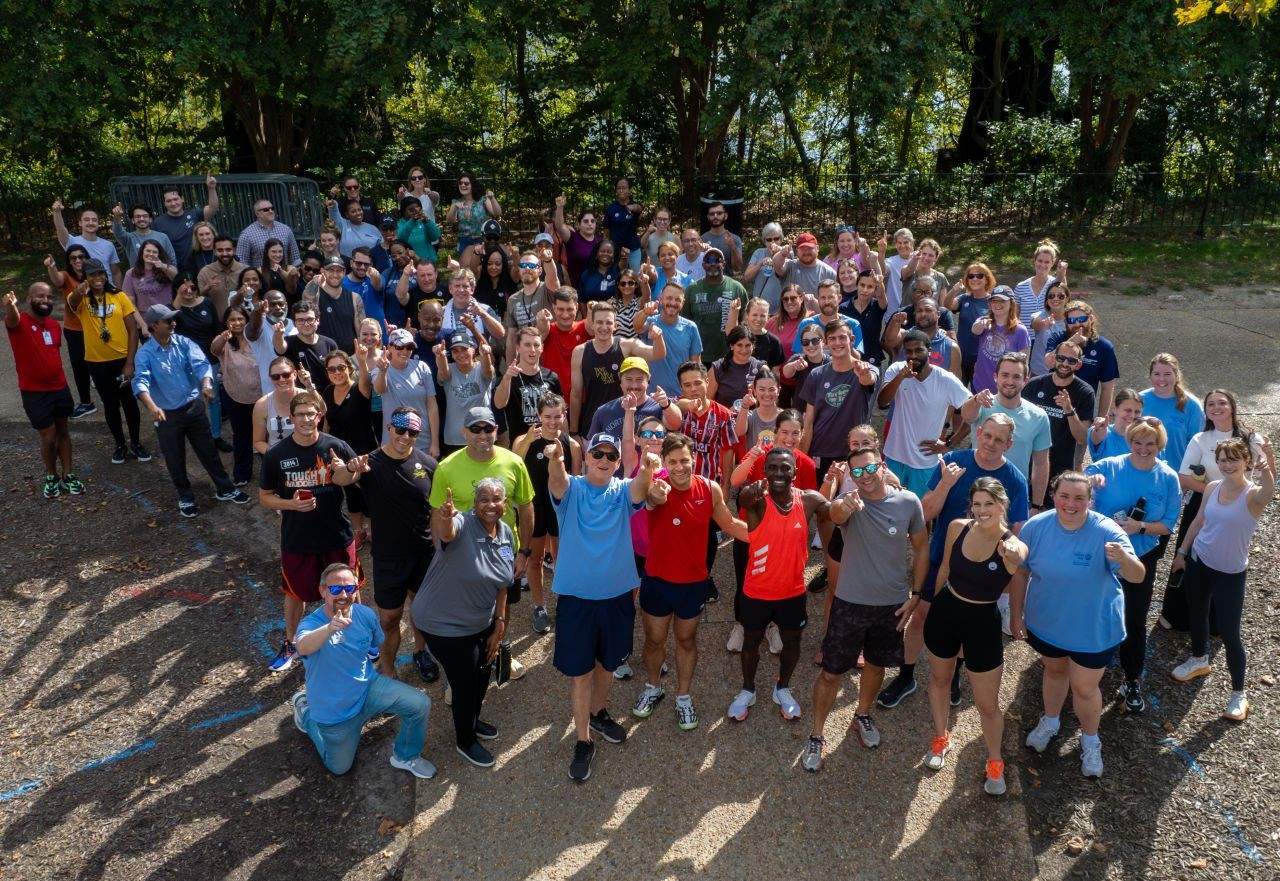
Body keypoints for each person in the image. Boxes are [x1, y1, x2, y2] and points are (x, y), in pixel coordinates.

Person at [878, 414, 1029, 708]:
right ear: (979, 431)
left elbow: (1017, 533)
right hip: (941, 559)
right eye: (988, 436)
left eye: (999, 439)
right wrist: (946, 485)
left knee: (964, 626)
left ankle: (954, 675)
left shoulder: (1015, 480)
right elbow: (926, 513)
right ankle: (906, 675)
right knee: (921, 615)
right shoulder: (954, 461)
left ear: (1009, 444)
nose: (991, 443)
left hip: (981, 572)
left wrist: (1012, 563)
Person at [1014, 472, 1145, 779]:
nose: (1070, 504)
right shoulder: (1036, 527)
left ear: (1090, 501)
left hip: (1093, 629)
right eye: (1064, 496)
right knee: (1055, 671)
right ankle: (1051, 720)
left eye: (1079, 498)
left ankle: (1090, 740)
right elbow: (1020, 573)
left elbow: (1137, 576)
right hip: (1048, 623)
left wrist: (1124, 559)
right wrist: (1015, 615)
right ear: (1053, 495)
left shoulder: (1106, 531)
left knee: (1084, 687)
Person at [547, 432, 659, 782]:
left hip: (616, 598)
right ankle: (583, 740)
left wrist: (648, 467)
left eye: (611, 455)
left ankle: (599, 712)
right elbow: (557, 478)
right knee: (581, 673)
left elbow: (641, 487)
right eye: (598, 453)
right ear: (587, 456)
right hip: (577, 599)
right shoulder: (572, 490)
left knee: (608, 664)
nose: (605, 460)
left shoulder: (622, 490)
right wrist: (556, 458)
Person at [804, 445, 925, 766]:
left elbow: (922, 547)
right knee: (831, 673)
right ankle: (816, 735)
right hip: (850, 604)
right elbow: (834, 514)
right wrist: (846, 505)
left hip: (892, 605)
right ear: (849, 476)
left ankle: (862, 714)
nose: (864, 476)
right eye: (856, 472)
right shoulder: (849, 504)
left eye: (869, 468)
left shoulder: (908, 502)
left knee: (876, 665)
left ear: (882, 465)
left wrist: (917, 594)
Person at [632, 433, 747, 730]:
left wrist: (769, 538)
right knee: (654, 640)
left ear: (694, 458)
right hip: (657, 580)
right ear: (665, 463)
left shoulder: (709, 489)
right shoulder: (658, 487)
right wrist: (654, 484)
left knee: (686, 640)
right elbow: (652, 497)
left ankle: (683, 696)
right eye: (672, 462)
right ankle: (654, 687)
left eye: (684, 460)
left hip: (693, 583)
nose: (680, 467)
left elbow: (731, 524)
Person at [918, 478, 1024, 794]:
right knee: (939, 680)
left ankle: (995, 763)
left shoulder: (1012, 544)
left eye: (988, 504)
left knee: (987, 704)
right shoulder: (957, 527)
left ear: (1002, 504)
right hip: (946, 612)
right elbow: (946, 570)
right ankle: (941, 738)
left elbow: (1018, 559)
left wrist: (1012, 551)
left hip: (983, 622)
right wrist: (932, 603)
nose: (981, 511)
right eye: (976, 504)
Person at [290, 563, 436, 779]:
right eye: (335, 589)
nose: (343, 594)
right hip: (334, 711)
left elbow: (375, 643)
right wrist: (330, 628)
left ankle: (406, 756)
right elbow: (303, 646)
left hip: (368, 688)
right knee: (339, 768)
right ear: (322, 591)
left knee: (420, 704)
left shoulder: (365, 614)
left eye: (349, 588)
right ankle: (307, 713)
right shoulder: (312, 624)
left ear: (356, 590)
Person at [408, 476, 511, 768]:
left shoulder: (505, 534)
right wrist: (445, 519)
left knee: (482, 673)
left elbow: (503, 584)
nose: (490, 505)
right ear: (474, 504)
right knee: (465, 682)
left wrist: (500, 621)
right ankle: (465, 740)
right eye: (484, 500)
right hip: (442, 623)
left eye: (496, 499)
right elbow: (448, 532)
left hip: (481, 621)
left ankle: (473, 721)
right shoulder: (462, 524)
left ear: (505, 503)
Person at [1170, 436, 1274, 722]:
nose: (1227, 465)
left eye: (1233, 459)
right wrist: (1182, 552)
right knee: (1197, 613)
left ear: (1246, 462)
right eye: (1222, 460)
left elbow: (1270, 489)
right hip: (1200, 561)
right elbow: (1198, 521)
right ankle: (1199, 659)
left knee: (1230, 634)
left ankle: (1239, 694)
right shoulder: (1213, 488)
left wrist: (1267, 460)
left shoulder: (1253, 496)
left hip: (1230, 573)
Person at [259, 392, 363, 672]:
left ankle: (357, 635)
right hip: (298, 539)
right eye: (300, 414)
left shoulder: (335, 446)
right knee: (295, 594)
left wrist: (349, 470)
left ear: (320, 416)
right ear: (290, 419)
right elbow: (264, 497)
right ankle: (291, 643)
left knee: (348, 589)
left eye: (311, 413)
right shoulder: (277, 455)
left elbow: (353, 477)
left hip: (336, 535)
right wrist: (290, 505)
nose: (306, 419)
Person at [1085, 418, 1182, 712]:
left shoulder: (1167, 477)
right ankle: (1084, 671)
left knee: (1135, 618)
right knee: (1095, 610)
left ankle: (1131, 678)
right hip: (1102, 552)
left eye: (1150, 443)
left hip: (1141, 555)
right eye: (1137, 442)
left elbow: (1167, 525)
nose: (1143, 448)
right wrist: (1090, 481)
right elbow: (1076, 483)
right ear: (1129, 442)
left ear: (1159, 446)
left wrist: (1139, 527)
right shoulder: (1109, 466)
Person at [729, 447, 831, 722]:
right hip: (756, 591)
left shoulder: (808, 500)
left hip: (792, 592)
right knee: (751, 641)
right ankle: (748, 689)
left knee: (792, 642)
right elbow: (743, 495)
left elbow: (833, 513)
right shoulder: (757, 499)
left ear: (794, 472)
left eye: (784, 468)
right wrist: (749, 492)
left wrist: (844, 494)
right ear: (764, 471)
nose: (778, 473)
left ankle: (782, 687)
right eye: (772, 467)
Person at [131, 304, 249, 517]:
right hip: (166, 414)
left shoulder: (184, 343)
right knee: (174, 458)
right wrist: (152, 407)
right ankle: (185, 497)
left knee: (208, 452)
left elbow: (201, 364)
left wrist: (206, 384)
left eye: (173, 320)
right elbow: (140, 382)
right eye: (168, 321)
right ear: (154, 325)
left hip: (193, 407)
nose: (173, 324)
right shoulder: (145, 354)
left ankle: (225, 488)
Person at [1163, 389, 1262, 632]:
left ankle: (1217, 622)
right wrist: (1216, 491)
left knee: (1226, 561)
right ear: (1205, 410)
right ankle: (1176, 615)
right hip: (1202, 502)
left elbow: (1265, 473)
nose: (1216, 408)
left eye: (1222, 403)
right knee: (1186, 557)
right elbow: (1184, 477)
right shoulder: (1200, 439)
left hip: (1236, 508)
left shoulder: (1251, 438)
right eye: (1210, 404)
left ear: (1232, 406)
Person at [796, 320, 878, 591]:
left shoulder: (864, 371)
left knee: (857, 514)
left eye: (842, 338)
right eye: (832, 339)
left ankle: (856, 566)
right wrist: (803, 459)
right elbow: (809, 422)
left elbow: (869, 380)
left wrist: (863, 372)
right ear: (826, 343)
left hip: (855, 459)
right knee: (825, 513)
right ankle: (832, 566)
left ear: (851, 338)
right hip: (822, 453)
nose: (837, 343)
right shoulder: (817, 375)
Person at [877, 329, 982, 498]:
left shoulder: (945, 379)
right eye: (909, 351)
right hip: (894, 457)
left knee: (923, 514)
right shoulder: (897, 369)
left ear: (929, 351)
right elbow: (882, 402)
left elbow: (975, 413)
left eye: (919, 350)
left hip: (925, 462)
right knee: (890, 507)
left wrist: (950, 443)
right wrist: (900, 378)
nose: (913, 355)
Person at [4, 284, 84, 498]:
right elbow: (11, 319)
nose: (46, 300)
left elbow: (52, 352)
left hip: (59, 387)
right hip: (34, 392)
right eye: (40, 296)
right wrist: (10, 306)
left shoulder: (54, 326)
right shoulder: (19, 322)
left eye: (49, 297)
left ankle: (68, 474)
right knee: (48, 437)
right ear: (29, 299)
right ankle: (52, 476)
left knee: (63, 432)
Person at [512, 393, 582, 634]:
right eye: (547, 417)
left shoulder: (572, 444)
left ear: (564, 416)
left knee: (563, 559)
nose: (553, 422)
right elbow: (513, 463)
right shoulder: (526, 438)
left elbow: (575, 481)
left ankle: (564, 603)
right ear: (539, 416)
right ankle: (540, 606)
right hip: (534, 507)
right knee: (536, 558)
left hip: (560, 508)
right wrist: (528, 441)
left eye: (557, 416)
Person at [67, 259, 148, 464]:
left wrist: (130, 362)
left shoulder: (119, 296)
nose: (98, 278)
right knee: (111, 406)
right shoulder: (82, 299)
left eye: (100, 274)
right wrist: (80, 290)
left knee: (129, 403)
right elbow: (72, 301)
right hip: (97, 362)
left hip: (122, 360)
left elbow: (132, 331)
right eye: (92, 275)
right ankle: (120, 444)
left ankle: (136, 443)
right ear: (85, 277)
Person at [674, 360, 740, 599]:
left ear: (707, 382)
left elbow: (728, 450)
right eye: (687, 385)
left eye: (697, 383)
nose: (693, 388)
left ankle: (705, 575)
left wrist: (726, 484)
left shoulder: (722, 414)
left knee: (709, 535)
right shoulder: (679, 411)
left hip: (710, 484)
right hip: (680, 485)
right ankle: (681, 573)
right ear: (681, 387)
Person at [568, 301, 664, 439]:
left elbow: (658, 354)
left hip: (626, 423)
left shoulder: (627, 346)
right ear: (592, 324)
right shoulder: (580, 352)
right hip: (592, 427)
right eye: (599, 322)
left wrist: (658, 337)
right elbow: (576, 394)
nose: (604, 327)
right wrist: (574, 432)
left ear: (615, 325)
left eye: (608, 323)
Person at [976, 353, 1052, 507]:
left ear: (1026, 380)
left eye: (1016, 377)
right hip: (977, 493)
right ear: (995, 376)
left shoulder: (1039, 416)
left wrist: (1036, 505)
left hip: (1013, 496)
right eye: (1005, 375)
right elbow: (965, 414)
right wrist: (975, 399)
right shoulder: (979, 406)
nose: (1010, 381)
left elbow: (1041, 464)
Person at [1023, 340, 1095, 500]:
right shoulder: (1034, 385)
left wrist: (1069, 410)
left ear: (1078, 365)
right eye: (1061, 358)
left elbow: (1082, 437)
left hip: (1062, 468)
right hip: (1029, 463)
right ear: (1054, 358)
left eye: (1071, 361)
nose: (1065, 364)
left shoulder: (1084, 392)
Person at [321, 349, 376, 545]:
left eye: (341, 367)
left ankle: (371, 529)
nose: (337, 372)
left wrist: (362, 361)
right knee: (350, 491)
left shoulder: (359, 389)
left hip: (363, 448)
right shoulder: (328, 391)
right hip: (339, 451)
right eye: (332, 369)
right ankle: (358, 530)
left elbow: (366, 383)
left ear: (349, 368)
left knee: (367, 489)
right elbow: (327, 421)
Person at [43, 246, 97, 419]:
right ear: (69, 261)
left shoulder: (95, 272)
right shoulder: (66, 275)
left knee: (100, 363)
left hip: (96, 327)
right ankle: (86, 403)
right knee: (80, 366)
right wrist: (51, 267)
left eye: (81, 256)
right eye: (73, 258)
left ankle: (108, 396)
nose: (78, 261)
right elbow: (57, 280)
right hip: (75, 329)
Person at [210, 305, 260, 485]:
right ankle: (242, 474)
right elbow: (214, 350)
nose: (237, 323)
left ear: (247, 320)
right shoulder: (224, 340)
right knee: (241, 436)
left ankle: (272, 474)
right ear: (226, 322)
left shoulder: (257, 339)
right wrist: (223, 339)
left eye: (240, 319)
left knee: (265, 436)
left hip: (261, 397)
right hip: (235, 396)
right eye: (232, 319)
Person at [1043, 300, 1119, 419]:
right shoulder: (1057, 338)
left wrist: (1101, 418)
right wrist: (1071, 343)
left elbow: (1108, 386)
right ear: (1066, 323)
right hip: (1053, 405)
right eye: (1072, 321)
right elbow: (1048, 363)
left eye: (1082, 319)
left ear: (1091, 319)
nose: (1078, 324)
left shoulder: (1104, 347)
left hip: (1083, 407)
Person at [373, 328, 441, 457]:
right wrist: (382, 371)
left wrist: (435, 443)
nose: (405, 351)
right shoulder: (380, 368)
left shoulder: (422, 367)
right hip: (394, 443)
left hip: (423, 442)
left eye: (409, 347)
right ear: (390, 347)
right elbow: (379, 389)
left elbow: (432, 406)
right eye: (400, 346)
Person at [434, 327, 495, 456]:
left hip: (481, 437)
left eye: (464, 349)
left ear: (473, 350)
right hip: (454, 439)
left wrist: (486, 354)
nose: (461, 354)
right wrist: (440, 355)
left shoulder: (481, 369)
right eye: (455, 351)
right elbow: (443, 372)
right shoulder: (450, 370)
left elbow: (488, 371)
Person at [682, 249, 749, 364]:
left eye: (717, 260)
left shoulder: (736, 288)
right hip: (699, 355)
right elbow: (684, 323)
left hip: (730, 355)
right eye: (709, 260)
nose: (713, 263)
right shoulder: (692, 289)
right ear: (703, 265)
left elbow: (745, 322)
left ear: (723, 264)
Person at [1141, 352, 1205, 471]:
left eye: (1167, 374)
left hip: (1178, 475)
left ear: (1176, 376)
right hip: (1143, 472)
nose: (1161, 379)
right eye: (1156, 374)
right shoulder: (1139, 400)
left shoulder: (1191, 405)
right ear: (1150, 376)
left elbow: (1199, 447)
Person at [635, 282, 702, 395]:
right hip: (651, 396)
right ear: (660, 298)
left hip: (680, 398)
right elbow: (637, 326)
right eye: (669, 298)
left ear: (683, 302)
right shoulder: (650, 322)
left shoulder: (691, 328)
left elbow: (696, 365)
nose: (672, 303)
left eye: (677, 300)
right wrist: (645, 312)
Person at [495, 326, 563, 435]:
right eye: (527, 345)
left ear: (542, 348)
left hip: (549, 442)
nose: (532, 350)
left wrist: (566, 442)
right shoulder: (509, 377)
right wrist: (507, 378)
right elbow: (499, 404)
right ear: (518, 348)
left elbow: (562, 412)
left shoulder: (552, 377)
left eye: (536, 345)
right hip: (521, 445)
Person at [968, 287, 1030, 394]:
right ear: (990, 304)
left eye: (1002, 301)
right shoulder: (984, 321)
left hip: (1005, 389)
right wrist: (980, 325)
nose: (997, 304)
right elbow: (975, 330)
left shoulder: (1020, 330)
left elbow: (1024, 362)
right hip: (980, 385)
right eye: (994, 301)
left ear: (1011, 303)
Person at [253, 355, 319, 454]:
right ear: (271, 379)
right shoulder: (262, 405)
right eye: (275, 377)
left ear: (295, 374)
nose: (281, 380)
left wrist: (309, 386)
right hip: (278, 455)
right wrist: (278, 457)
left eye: (286, 375)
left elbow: (324, 410)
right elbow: (258, 441)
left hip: (308, 452)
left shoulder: (307, 396)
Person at [151, 178, 220, 269]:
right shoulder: (158, 223)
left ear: (182, 199)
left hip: (199, 267)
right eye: (169, 201)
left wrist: (211, 188)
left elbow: (213, 208)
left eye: (176, 199)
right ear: (165, 203)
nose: (173, 203)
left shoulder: (195, 214)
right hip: (174, 270)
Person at [51, 200, 122, 285]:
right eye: (87, 220)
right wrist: (57, 212)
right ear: (80, 223)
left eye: (94, 220)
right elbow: (60, 229)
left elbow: (116, 273)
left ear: (98, 223)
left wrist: (120, 293)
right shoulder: (72, 242)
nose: (91, 223)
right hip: (85, 292)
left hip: (109, 292)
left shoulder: (109, 245)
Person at [537, 288, 591, 400]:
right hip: (554, 402)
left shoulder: (585, 327)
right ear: (554, 308)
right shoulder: (548, 331)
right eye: (561, 309)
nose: (565, 315)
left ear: (576, 307)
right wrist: (541, 321)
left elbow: (596, 327)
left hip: (585, 400)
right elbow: (539, 335)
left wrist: (592, 310)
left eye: (570, 309)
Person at [280, 301, 340, 393]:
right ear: (294, 323)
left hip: (329, 397)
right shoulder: (288, 343)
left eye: (310, 319)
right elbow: (279, 348)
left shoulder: (330, 343)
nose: (306, 324)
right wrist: (278, 334)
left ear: (318, 320)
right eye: (300, 320)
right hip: (300, 400)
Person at [793, 279, 863, 355]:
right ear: (818, 299)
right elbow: (798, 355)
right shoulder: (805, 324)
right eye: (823, 298)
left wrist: (848, 346)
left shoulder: (853, 324)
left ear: (839, 298)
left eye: (830, 297)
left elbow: (857, 358)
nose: (827, 302)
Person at [246, 289, 297, 393]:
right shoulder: (259, 326)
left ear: (286, 305)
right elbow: (252, 332)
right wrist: (258, 312)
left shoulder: (296, 325)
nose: (278, 307)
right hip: (271, 390)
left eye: (281, 304)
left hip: (297, 386)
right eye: (273, 305)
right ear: (266, 306)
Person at [1012, 239, 1065, 338]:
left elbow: (1064, 297)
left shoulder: (1054, 285)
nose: (1043, 265)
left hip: (1047, 339)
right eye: (1040, 261)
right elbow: (1015, 316)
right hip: (1024, 339)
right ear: (1034, 261)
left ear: (1052, 263)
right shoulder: (1021, 287)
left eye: (1047, 262)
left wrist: (1062, 273)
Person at [839, 266, 888, 368]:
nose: (865, 290)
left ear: (875, 289)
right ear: (856, 285)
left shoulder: (877, 306)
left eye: (870, 287)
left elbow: (882, 296)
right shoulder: (843, 308)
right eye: (862, 285)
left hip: (872, 358)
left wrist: (879, 283)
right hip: (850, 359)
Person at [708, 326, 765, 411]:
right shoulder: (717, 368)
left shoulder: (761, 369)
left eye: (748, 345)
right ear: (731, 346)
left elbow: (770, 401)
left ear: (753, 346)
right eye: (739, 345)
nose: (744, 350)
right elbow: (708, 402)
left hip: (753, 421)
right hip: (724, 420)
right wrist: (727, 413)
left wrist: (755, 401)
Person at [236, 198, 301, 268]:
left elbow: (295, 258)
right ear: (257, 213)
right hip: (260, 277)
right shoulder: (247, 234)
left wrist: (292, 273)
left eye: (272, 208)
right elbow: (241, 261)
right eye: (266, 210)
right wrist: (255, 273)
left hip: (284, 275)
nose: (271, 211)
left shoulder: (286, 230)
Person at [552, 195, 601, 287]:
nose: (590, 224)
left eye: (592, 221)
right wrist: (560, 207)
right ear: (579, 224)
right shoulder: (572, 238)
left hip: (596, 286)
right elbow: (559, 226)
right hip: (577, 287)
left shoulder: (600, 241)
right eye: (585, 221)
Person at [445, 174, 500, 254]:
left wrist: (492, 198)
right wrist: (454, 208)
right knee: (465, 266)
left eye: (466, 183)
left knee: (481, 265)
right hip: (464, 241)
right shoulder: (456, 202)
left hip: (482, 240)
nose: (462, 185)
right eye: (460, 183)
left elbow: (496, 213)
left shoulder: (482, 200)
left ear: (473, 185)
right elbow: (450, 220)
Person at [111, 203, 176, 268]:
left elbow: (172, 260)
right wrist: (117, 217)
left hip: (161, 277)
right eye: (138, 217)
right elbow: (118, 232)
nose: (141, 219)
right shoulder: (129, 238)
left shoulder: (163, 237)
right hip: (137, 277)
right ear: (133, 220)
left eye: (145, 216)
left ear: (150, 219)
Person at [197, 235, 246, 319]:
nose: (224, 254)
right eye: (220, 250)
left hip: (242, 323)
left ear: (234, 251)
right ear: (214, 252)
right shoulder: (205, 272)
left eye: (228, 250)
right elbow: (196, 299)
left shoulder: (245, 270)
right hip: (216, 324)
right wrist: (206, 288)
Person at [771, 232, 836, 296]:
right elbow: (776, 264)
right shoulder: (789, 266)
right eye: (802, 249)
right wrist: (782, 253)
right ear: (797, 250)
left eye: (810, 248)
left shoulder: (829, 273)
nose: (806, 252)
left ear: (817, 248)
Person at [726, 296, 784, 368]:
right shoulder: (739, 335)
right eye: (755, 315)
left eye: (763, 315)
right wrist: (734, 311)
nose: (758, 319)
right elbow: (730, 331)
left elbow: (776, 371)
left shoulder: (774, 341)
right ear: (747, 315)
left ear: (768, 317)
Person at [1088, 387, 1142, 461]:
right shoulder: (1103, 432)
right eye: (1128, 410)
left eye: (1137, 412)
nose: (1132, 416)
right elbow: (1097, 436)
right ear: (1114, 408)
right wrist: (1099, 429)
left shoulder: (1143, 437)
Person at [1028, 280, 1069, 377]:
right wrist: (1043, 324)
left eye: (1061, 296)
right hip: (1038, 372)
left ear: (1067, 299)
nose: (1055, 299)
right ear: (1047, 300)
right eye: (1051, 296)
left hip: (1063, 373)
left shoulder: (1072, 320)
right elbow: (1035, 324)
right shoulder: (1040, 316)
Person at [605, 177, 645, 271]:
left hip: (633, 250)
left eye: (624, 187)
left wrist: (632, 207)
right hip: (616, 250)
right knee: (617, 277)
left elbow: (640, 208)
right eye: (619, 188)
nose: (621, 190)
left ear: (629, 190)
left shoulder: (635, 205)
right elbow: (606, 232)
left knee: (636, 278)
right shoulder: (611, 208)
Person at [701, 201, 743, 275]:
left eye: (719, 213)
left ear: (726, 216)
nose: (715, 216)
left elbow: (737, 268)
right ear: (708, 217)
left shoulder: (735, 239)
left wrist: (733, 247)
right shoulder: (702, 239)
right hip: (706, 283)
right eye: (712, 214)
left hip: (726, 284)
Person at [882, 228, 914, 314]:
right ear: (895, 244)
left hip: (915, 311)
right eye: (899, 243)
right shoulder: (890, 261)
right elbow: (882, 271)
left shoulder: (919, 259)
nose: (902, 246)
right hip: (893, 312)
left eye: (906, 242)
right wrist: (882, 252)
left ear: (912, 242)